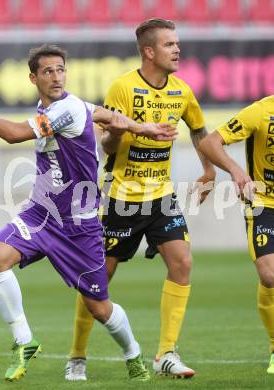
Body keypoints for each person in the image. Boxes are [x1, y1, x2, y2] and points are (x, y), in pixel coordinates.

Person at [0, 44, 178, 382]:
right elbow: (109, 115)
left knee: (100, 308)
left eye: (60, 69)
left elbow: (12, 134)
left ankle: (133, 354)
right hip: (41, 214)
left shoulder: (65, 110)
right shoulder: (68, 107)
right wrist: (143, 129)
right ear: (33, 77)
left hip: (79, 226)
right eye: (48, 71)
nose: (56, 76)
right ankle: (24, 341)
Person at [65, 18, 215, 381]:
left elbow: (199, 130)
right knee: (98, 280)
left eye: (177, 43)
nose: (177, 49)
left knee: (182, 262)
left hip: (161, 196)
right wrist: (117, 134)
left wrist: (208, 170)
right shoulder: (124, 88)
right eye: (169, 44)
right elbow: (105, 144)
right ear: (149, 51)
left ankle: (166, 353)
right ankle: (77, 355)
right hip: (121, 198)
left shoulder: (181, 91)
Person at [199, 96, 274, 374]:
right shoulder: (261, 111)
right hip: (265, 204)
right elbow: (209, 143)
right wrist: (234, 168)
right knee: (269, 276)